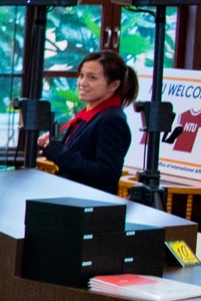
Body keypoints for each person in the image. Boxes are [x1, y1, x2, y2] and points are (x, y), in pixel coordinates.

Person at [39, 49, 138, 194]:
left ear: (114, 85)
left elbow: (106, 175)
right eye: (81, 76)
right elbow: (82, 154)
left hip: (87, 202)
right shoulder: (93, 115)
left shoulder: (112, 120)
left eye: (92, 78)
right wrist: (51, 146)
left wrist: (58, 152)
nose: (82, 83)